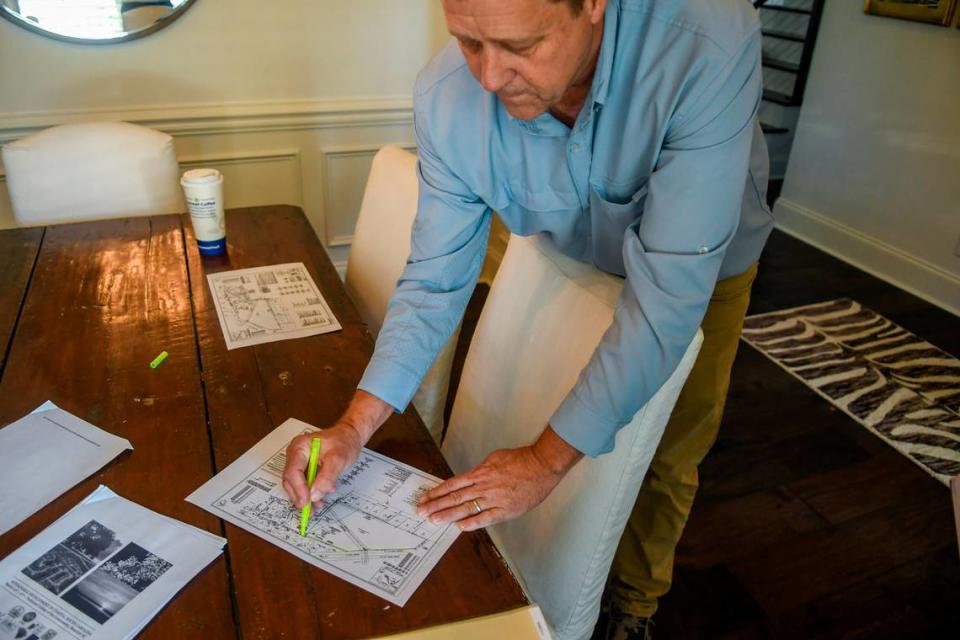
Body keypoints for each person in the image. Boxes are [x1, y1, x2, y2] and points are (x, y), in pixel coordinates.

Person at [283, 0, 772, 637]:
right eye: (467, 43)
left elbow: (664, 304)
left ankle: (634, 605)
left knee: (665, 452)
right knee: (538, 415)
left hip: (703, 268)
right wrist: (353, 426)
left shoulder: (708, 37)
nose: (487, 79)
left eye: (520, 45)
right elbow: (433, 281)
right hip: (564, 248)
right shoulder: (445, 95)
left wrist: (545, 461)